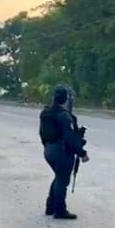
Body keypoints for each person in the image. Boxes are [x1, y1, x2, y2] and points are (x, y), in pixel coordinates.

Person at [40, 85, 89, 220]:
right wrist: (82, 153)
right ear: (66, 99)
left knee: (59, 177)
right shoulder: (64, 116)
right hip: (61, 151)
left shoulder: (46, 112)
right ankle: (60, 210)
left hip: (49, 150)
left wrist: (47, 146)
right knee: (62, 180)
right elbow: (69, 138)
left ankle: (50, 206)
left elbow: (42, 133)